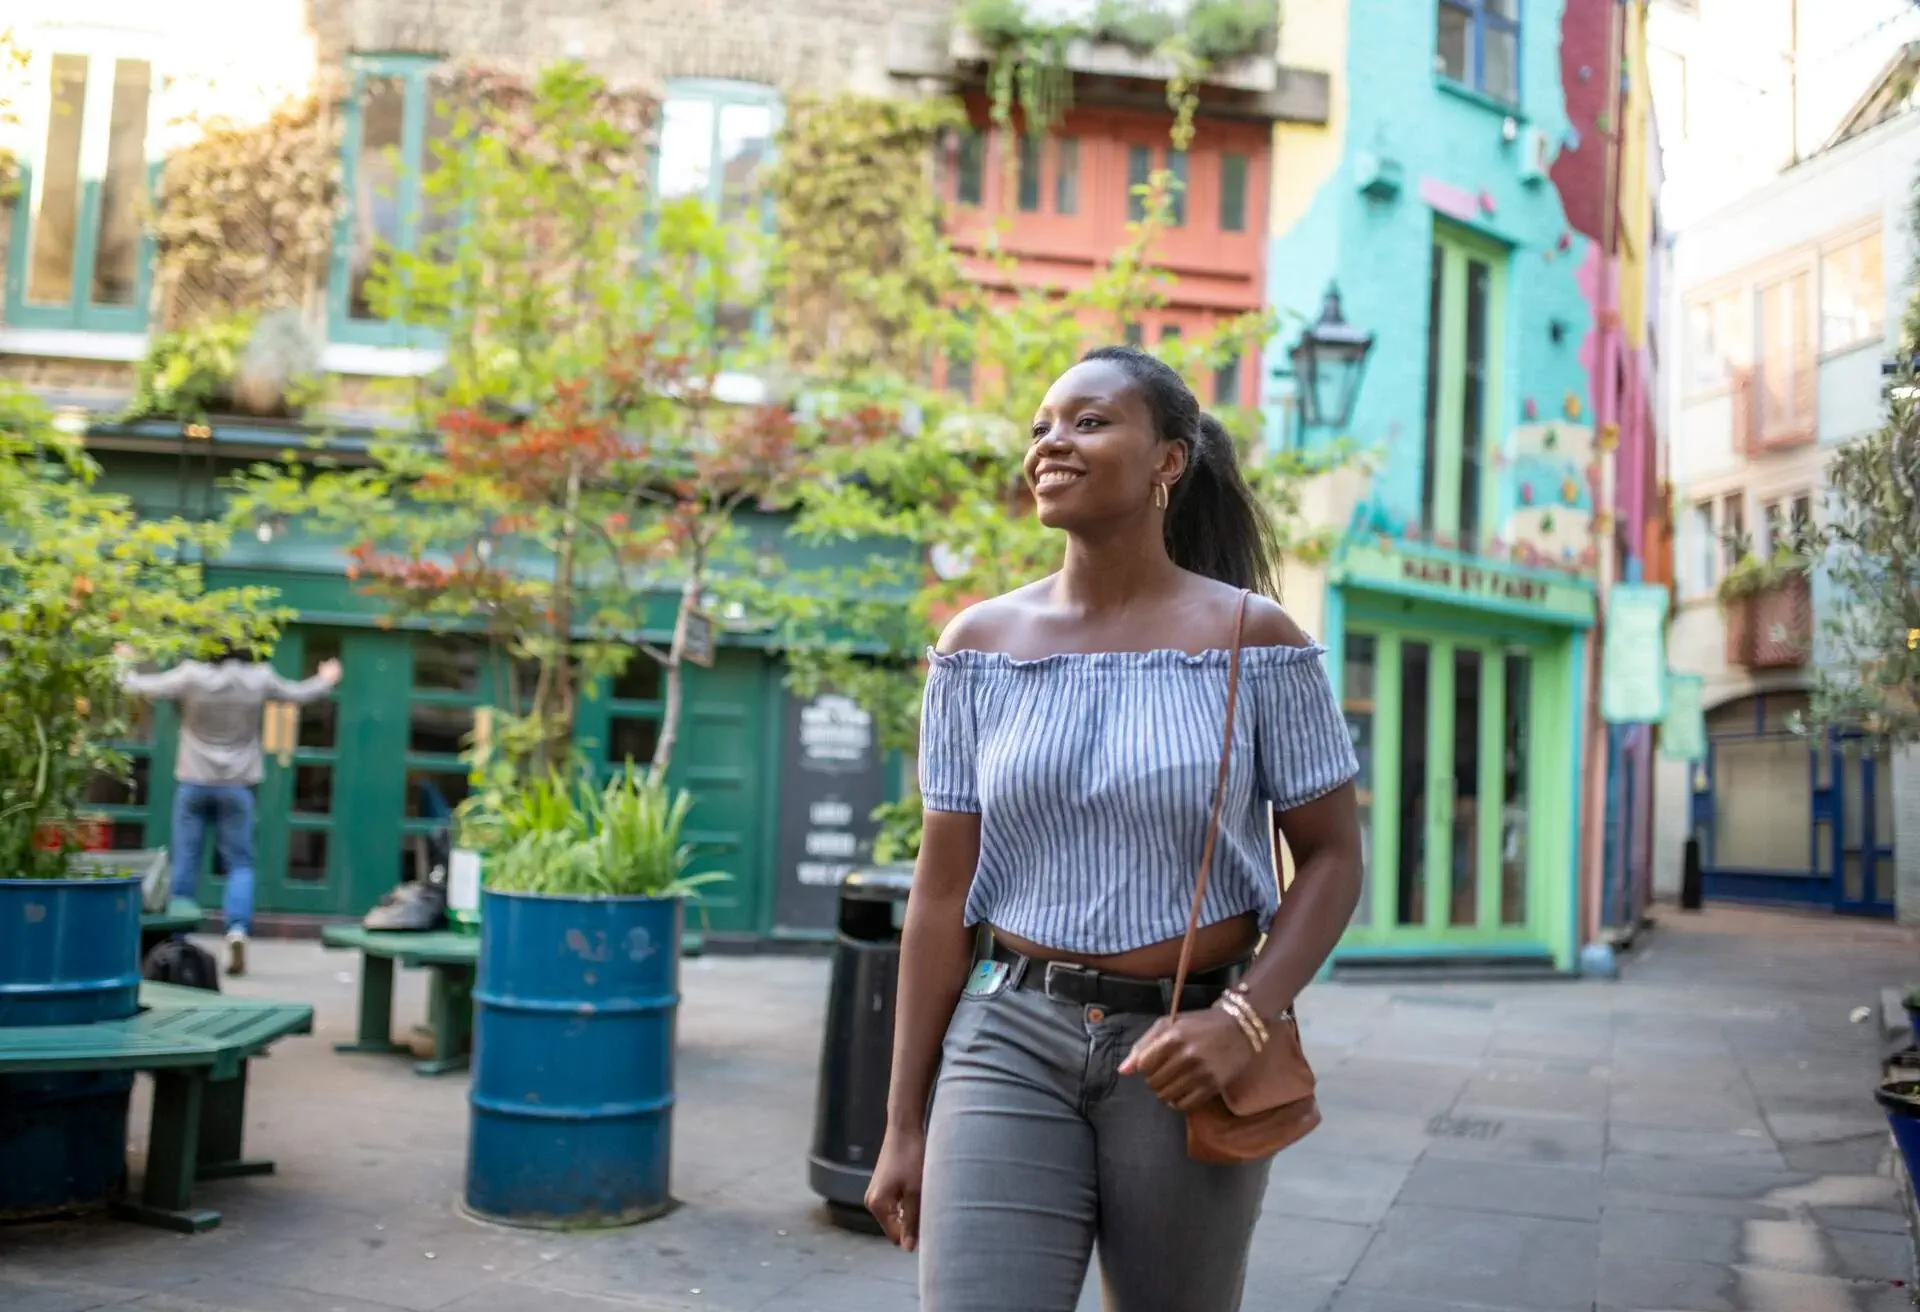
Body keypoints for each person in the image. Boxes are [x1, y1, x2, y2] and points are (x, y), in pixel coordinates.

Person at [865, 346, 1365, 1312]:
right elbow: (937, 896)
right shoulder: (977, 649)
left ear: (1168, 461)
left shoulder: (1255, 642)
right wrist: (902, 1123)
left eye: (1088, 422)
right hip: (1006, 1032)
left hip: (1188, 1050)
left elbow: (1335, 859)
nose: (1052, 442)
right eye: (1042, 425)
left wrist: (1242, 1020)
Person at [117, 642, 342, 975]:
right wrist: (326, 678)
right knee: (241, 864)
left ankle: (176, 940)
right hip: (237, 784)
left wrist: (122, 662)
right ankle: (237, 929)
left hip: (193, 781)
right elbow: (297, 694)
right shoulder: (258, 678)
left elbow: (137, 686)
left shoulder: (191, 676)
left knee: (186, 862)